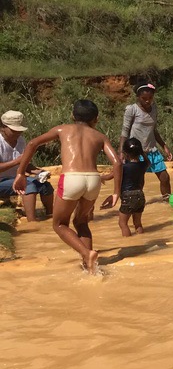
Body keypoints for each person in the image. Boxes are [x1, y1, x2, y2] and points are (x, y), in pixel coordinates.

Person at [14, 100, 121, 273]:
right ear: (96, 119)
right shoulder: (100, 136)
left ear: (72, 115)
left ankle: (87, 254)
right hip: (94, 179)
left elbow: (32, 144)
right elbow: (117, 163)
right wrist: (116, 193)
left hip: (71, 177)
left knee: (59, 225)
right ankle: (90, 267)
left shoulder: (62, 129)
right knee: (81, 221)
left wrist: (20, 173)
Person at [121, 82, 173, 200]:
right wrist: (122, 152)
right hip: (136, 152)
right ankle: (137, 203)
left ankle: (168, 201)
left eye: (150, 98)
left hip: (152, 150)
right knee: (139, 181)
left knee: (165, 177)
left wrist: (164, 146)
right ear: (138, 97)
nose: (147, 101)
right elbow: (125, 132)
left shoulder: (154, 109)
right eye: (144, 98)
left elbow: (153, 130)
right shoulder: (132, 110)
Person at [0, 110, 54, 223]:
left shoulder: (20, 141)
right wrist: (16, 162)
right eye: (14, 131)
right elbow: (18, 161)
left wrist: (38, 172)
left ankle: (51, 216)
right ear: (3, 127)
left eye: (19, 131)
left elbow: (24, 164)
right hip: (2, 180)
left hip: (13, 179)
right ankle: (32, 221)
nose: (17, 133)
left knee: (45, 185)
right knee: (28, 185)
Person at [99, 137, 147, 237]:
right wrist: (142, 153)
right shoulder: (143, 165)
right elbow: (148, 161)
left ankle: (128, 242)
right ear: (140, 151)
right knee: (137, 223)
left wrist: (100, 178)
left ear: (125, 153)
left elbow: (110, 176)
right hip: (140, 195)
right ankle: (142, 238)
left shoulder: (123, 167)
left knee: (122, 223)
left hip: (128, 196)